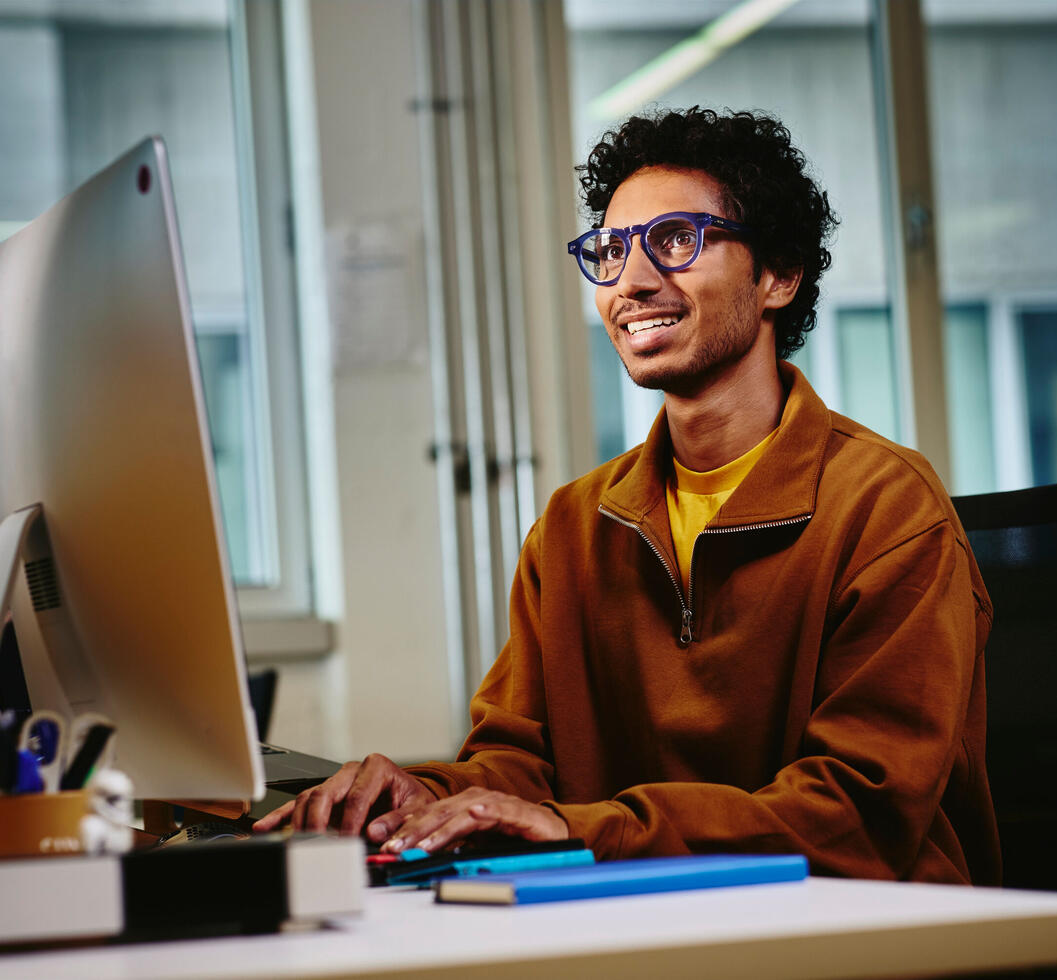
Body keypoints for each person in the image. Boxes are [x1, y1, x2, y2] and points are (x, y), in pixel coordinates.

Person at [255, 107, 1001, 885]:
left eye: (676, 240)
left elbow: (858, 812)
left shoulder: (886, 508)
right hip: (640, 924)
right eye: (609, 252)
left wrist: (589, 832)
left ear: (778, 274)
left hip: (863, 938)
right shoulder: (576, 525)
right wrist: (430, 793)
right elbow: (520, 762)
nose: (632, 283)